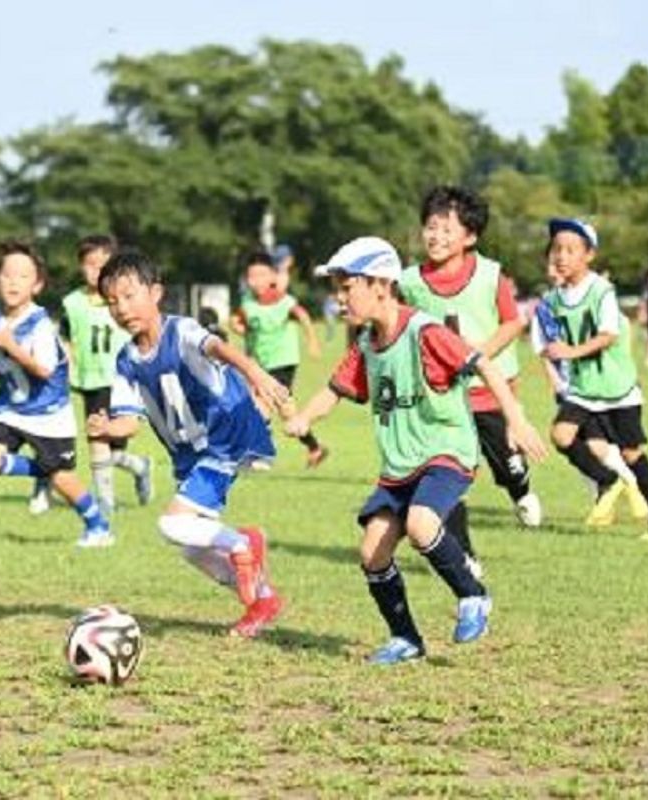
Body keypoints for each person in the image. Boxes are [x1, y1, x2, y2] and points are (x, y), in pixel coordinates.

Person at [286, 237, 547, 665]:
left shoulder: (424, 332)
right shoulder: (367, 344)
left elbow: (482, 364)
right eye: (337, 289)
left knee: (422, 523)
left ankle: (473, 595)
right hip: (400, 465)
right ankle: (406, 639)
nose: (339, 299)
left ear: (380, 285)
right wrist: (305, 419)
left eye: (346, 287)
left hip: (446, 452)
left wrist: (516, 420)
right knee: (372, 552)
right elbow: (335, 390)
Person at [87, 248, 287, 638]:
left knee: (171, 524)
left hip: (225, 436)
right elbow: (129, 424)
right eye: (112, 301)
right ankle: (262, 599)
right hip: (191, 455)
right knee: (194, 548)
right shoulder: (126, 361)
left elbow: (218, 348)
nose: (121, 308)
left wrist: (255, 373)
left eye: (129, 295)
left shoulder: (180, 331)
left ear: (155, 293)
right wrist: (106, 428)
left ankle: (242, 544)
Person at [399, 186, 539, 586]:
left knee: (508, 466)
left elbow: (513, 323)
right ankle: (464, 555)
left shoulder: (490, 274)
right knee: (444, 476)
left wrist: (476, 355)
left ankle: (520, 489)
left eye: (447, 230)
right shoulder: (409, 282)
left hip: (488, 392)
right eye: (431, 227)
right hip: (441, 399)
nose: (436, 236)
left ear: (470, 236)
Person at [535, 218, 648, 542]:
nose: (561, 256)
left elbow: (608, 335)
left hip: (618, 390)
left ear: (589, 255)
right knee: (561, 434)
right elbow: (552, 339)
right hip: (584, 390)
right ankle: (607, 480)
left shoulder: (602, 291)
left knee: (632, 454)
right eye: (557, 249)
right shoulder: (554, 299)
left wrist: (570, 352)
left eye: (570, 250)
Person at [0, 240, 112, 548]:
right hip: (13, 411)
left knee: (63, 480)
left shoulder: (40, 325)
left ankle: (98, 525)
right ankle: (44, 472)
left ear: (37, 285)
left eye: (23, 276)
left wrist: (12, 346)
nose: (13, 282)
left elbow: (44, 369)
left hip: (49, 415)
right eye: (7, 275)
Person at [29, 235, 153, 517]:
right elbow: (64, 339)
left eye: (103, 264)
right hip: (91, 381)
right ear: (80, 266)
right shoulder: (72, 303)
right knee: (99, 441)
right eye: (90, 264)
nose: (96, 270)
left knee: (110, 447)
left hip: (121, 380)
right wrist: (63, 364)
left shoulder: (124, 300)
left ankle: (137, 469)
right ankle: (107, 502)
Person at [530, 249, 648, 519]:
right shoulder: (546, 307)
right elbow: (544, 351)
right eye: (552, 263)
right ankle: (610, 497)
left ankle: (627, 488)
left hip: (600, 386)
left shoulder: (596, 299)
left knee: (598, 447)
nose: (557, 267)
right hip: (572, 388)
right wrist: (555, 382)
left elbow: (617, 339)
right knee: (589, 446)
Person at [229, 250, 327, 468]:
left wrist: (312, 340)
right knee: (289, 415)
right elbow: (237, 320)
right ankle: (315, 447)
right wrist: (237, 326)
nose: (256, 281)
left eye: (261, 275)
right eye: (251, 276)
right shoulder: (248, 302)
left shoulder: (283, 300)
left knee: (260, 404)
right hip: (260, 364)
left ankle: (261, 456)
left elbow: (302, 315)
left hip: (283, 362)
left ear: (273, 276)